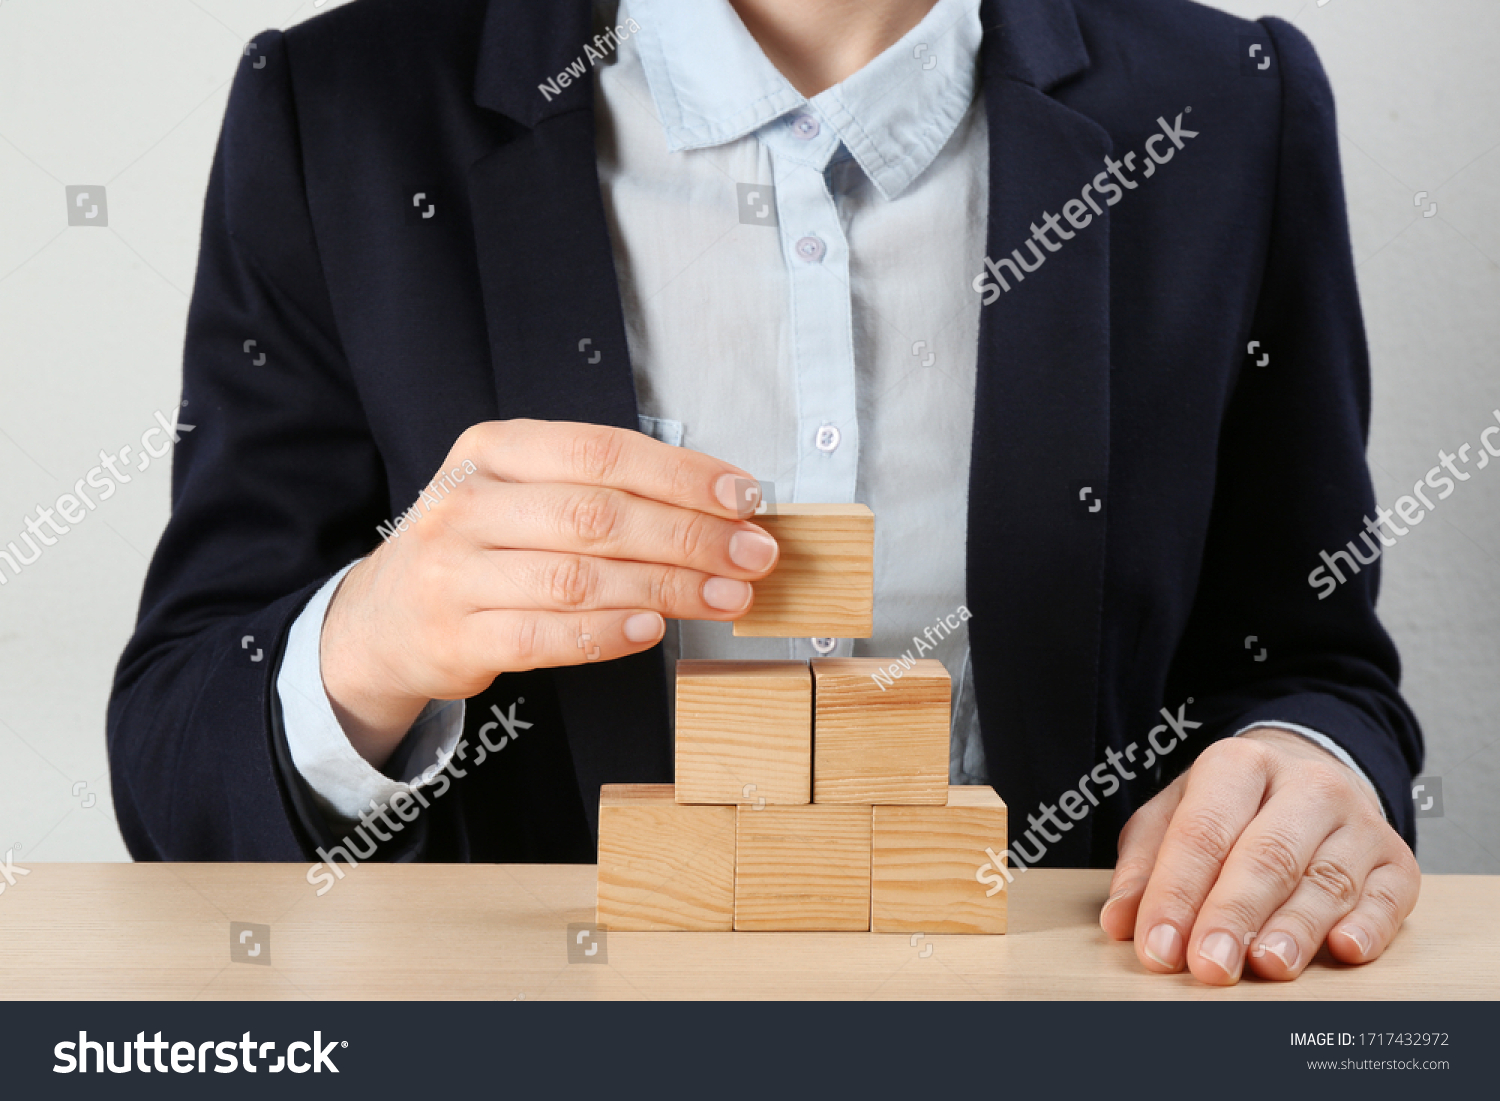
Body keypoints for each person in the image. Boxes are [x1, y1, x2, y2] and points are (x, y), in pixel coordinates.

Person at [109, 0, 1423, 986]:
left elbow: (1313, 663)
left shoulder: (1230, 104)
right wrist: (370, 647)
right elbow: (176, 770)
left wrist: (1301, 764)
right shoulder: (340, 106)